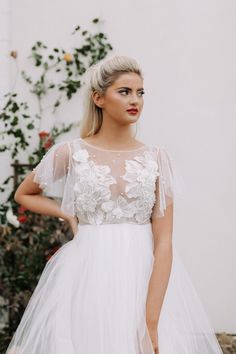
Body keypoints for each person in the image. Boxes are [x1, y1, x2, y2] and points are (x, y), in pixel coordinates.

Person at [6, 55, 223, 354]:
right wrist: (65, 213)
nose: (135, 100)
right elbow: (24, 193)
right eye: (124, 92)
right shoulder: (70, 152)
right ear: (99, 98)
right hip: (86, 275)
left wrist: (151, 322)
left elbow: (164, 243)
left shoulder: (158, 159)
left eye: (140, 92)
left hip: (144, 276)